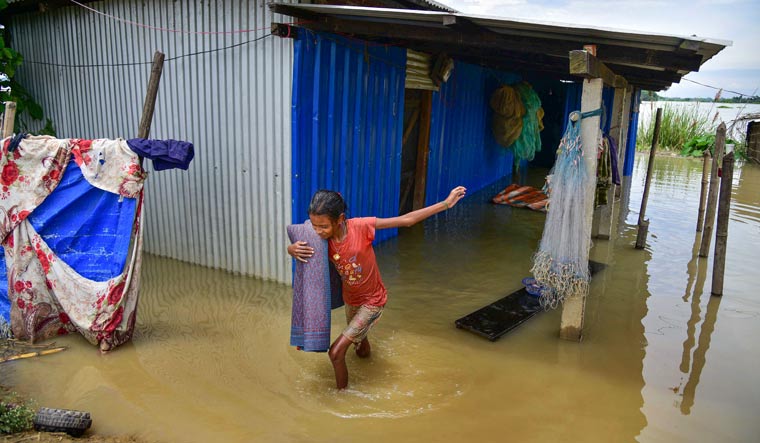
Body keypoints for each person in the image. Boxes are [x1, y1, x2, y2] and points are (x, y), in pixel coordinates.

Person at [287, 186, 467, 389]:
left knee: (336, 353)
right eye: (314, 225)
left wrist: (445, 203)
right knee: (360, 348)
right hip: (351, 300)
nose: (318, 232)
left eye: (323, 227)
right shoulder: (319, 239)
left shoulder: (361, 227)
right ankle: (368, 361)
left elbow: (407, 220)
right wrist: (291, 249)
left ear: (340, 219)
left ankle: (341, 400)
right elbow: (298, 245)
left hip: (373, 301)